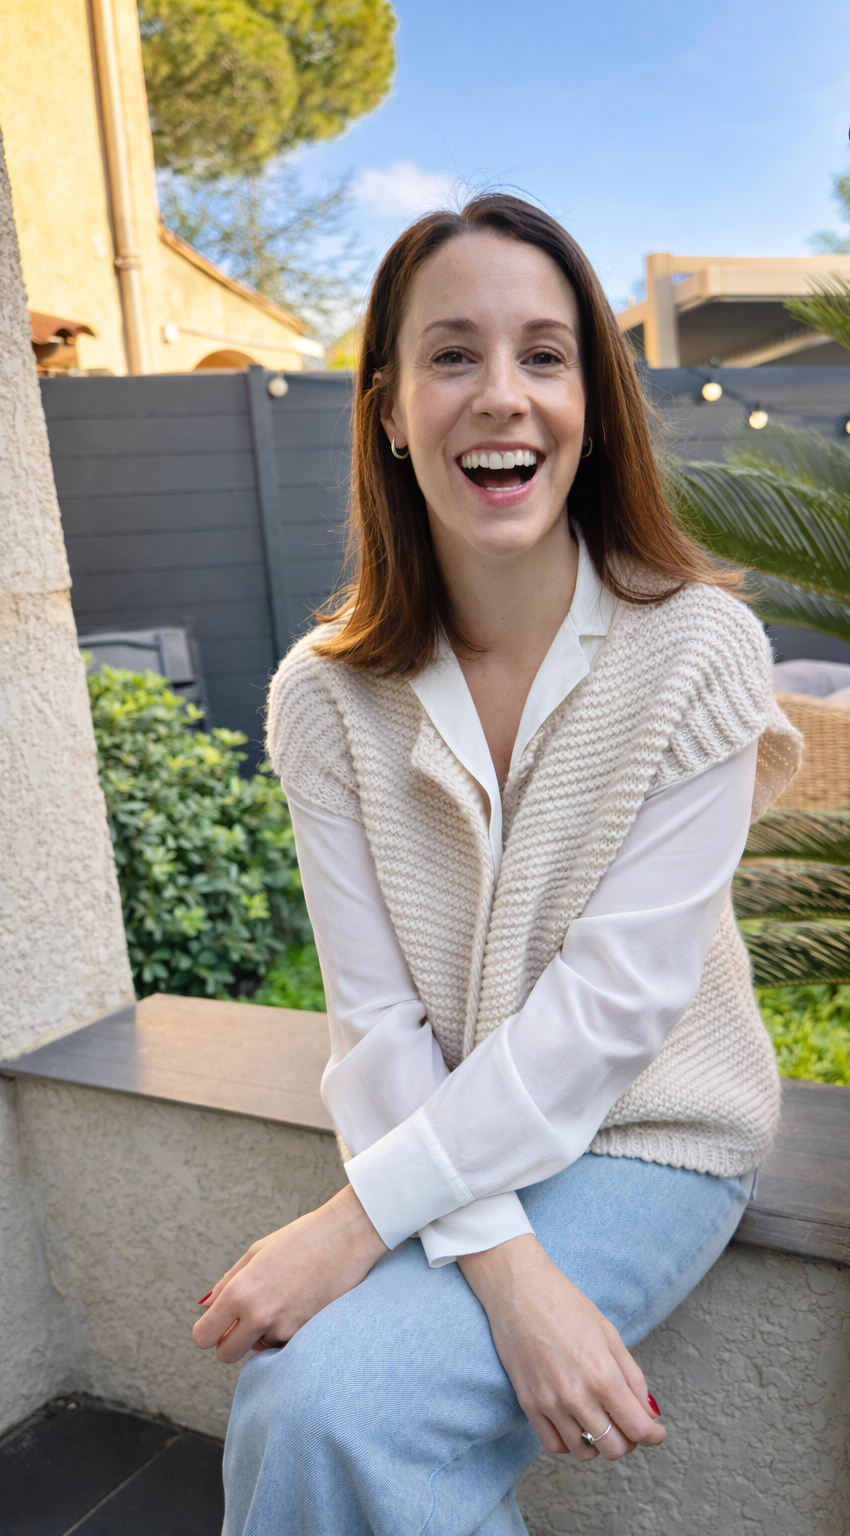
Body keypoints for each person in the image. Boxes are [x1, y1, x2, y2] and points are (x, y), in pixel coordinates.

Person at [193, 194, 801, 1536]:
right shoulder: (324, 695)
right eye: (453, 355)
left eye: (544, 353)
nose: (503, 397)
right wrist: (511, 1273)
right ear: (390, 411)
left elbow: (612, 1016)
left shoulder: (700, 651)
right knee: (311, 1414)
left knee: (321, 1413)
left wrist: (354, 1224)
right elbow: (376, 1024)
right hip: (441, 1137)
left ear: (593, 400)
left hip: (650, 1138)